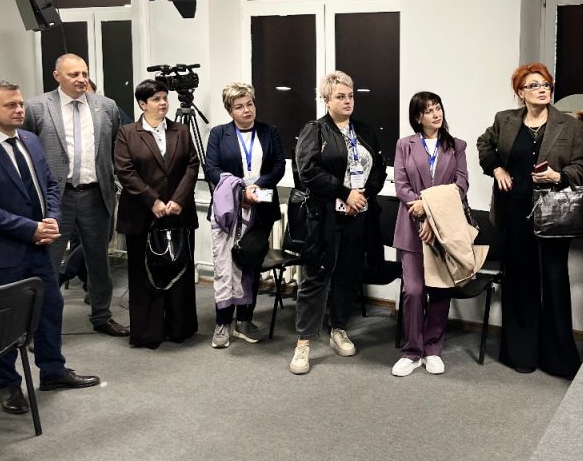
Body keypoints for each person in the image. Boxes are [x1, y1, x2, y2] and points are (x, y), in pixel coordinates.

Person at [0, 81, 100, 415]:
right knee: (3, 321)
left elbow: (50, 184)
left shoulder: (30, 140)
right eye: (10, 105)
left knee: (51, 308)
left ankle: (53, 371)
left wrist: (52, 220)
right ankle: (8, 384)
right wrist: (30, 229)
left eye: (20, 104)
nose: (19, 110)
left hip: (39, 248)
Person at [477, 62, 583, 379]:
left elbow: (581, 167)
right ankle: (521, 353)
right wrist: (496, 168)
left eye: (546, 85)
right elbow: (484, 145)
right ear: (520, 92)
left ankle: (557, 358)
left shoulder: (569, 125)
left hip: (554, 214)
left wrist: (558, 176)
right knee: (520, 281)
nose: (542, 90)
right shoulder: (505, 120)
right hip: (515, 213)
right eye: (534, 85)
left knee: (554, 281)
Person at [289, 70, 386, 375]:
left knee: (348, 274)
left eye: (351, 96)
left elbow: (379, 170)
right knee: (317, 276)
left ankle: (338, 328)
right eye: (340, 96)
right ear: (327, 100)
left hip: (358, 215)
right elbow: (308, 171)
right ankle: (303, 343)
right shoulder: (315, 130)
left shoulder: (365, 131)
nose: (347, 101)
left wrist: (363, 196)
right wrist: (346, 193)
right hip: (325, 217)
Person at [23, 54, 127, 337]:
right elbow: (25, 151)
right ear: (57, 76)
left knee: (99, 261)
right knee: (47, 262)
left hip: (96, 195)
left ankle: (102, 315)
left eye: (84, 73)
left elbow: (115, 148)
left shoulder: (106, 106)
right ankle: (38, 326)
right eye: (74, 74)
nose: (81, 79)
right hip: (57, 199)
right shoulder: (36, 108)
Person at [114, 79, 201, 349]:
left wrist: (178, 200)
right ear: (143, 104)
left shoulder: (181, 130)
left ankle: (179, 328)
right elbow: (125, 171)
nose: (163, 103)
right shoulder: (127, 133)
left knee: (179, 270)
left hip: (178, 213)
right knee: (144, 275)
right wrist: (152, 200)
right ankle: (148, 332)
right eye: (156, 99)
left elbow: (192, 165)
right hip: (141, 215)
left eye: (164, 97)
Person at [391, 91, 469, 377]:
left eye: (438, 108)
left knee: (440, 289)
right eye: (428, 110)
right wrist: (421, 211)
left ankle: (432, 348)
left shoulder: (456, 145)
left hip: (444, 229)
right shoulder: (404, 145)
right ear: (417, 117)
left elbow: (461, 185)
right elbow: (401, 185)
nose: (436, 114)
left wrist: (430, 209)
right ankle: (412, 351)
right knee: (413, 290)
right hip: (411, 228)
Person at [204, 82, 285, 348]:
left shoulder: (269, 131)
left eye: (249, 104)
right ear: (230, 111)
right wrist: (240, 189)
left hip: (262, 203)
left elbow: (278, 166)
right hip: (229, 206)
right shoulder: (219, 134)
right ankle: (222, 323)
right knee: (224, 266)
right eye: (239, 106)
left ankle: (245, 321)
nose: (247, 110)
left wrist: (256, 187)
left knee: (250, 262)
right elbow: (211, 169)